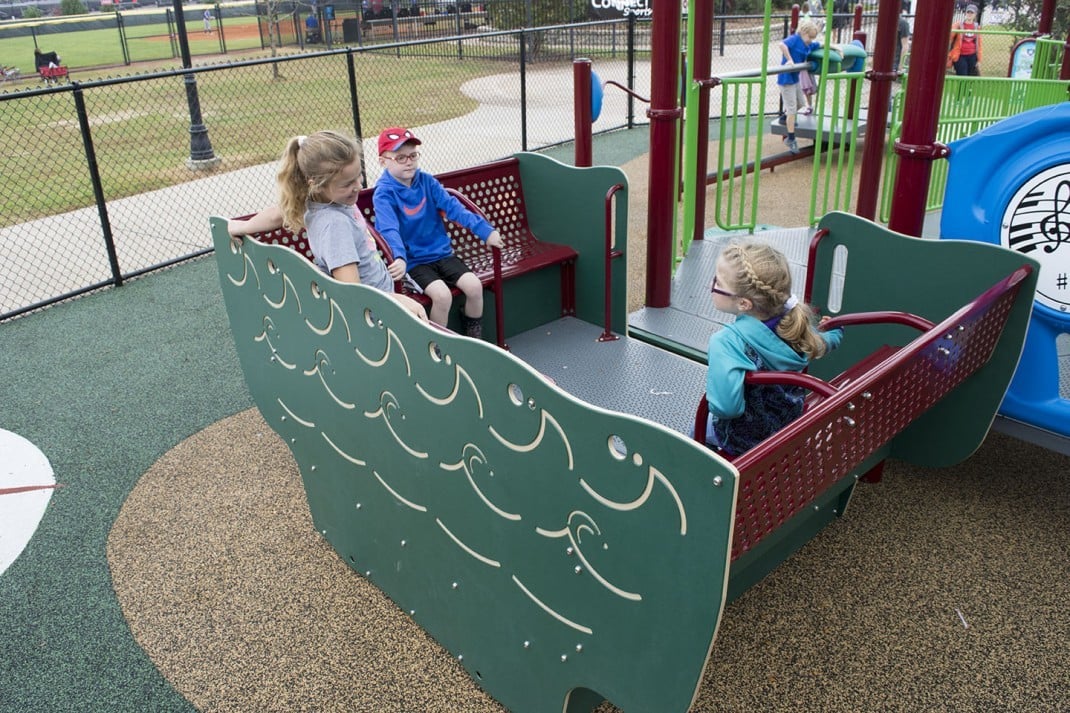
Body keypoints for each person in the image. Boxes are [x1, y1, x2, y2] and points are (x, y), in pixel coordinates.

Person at [231, 131, 428, 323]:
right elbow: (352, 291)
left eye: (359, 176)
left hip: (381, 297)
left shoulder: (319, 198)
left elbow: (276, 214)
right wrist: (397, 300)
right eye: (347, 183)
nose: (358, 186)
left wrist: (243, 226)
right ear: (316, 184)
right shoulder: (334, 225)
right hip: (374, 315)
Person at [701, 242, 843, 457]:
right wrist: (836, 331)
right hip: (785, 429)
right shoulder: (794, 324)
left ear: (744, 304)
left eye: (717, 282)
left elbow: (726, 408)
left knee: (700, 429)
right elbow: (823, 341)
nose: (712, 284)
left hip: (744, 443)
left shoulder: (727, 342)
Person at [373, 127, 504, 337]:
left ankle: (473, 336)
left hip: (441, 254)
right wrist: (399, 257)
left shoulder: (426, 181)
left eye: (413, 155)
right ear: (383, 161)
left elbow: (453, 207)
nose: (409, 162)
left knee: (474, 287)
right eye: (400, 157)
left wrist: (485, 231)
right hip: (414, 262)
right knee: (442, 296)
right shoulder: (384, 194)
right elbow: (389, 229)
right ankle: (437, 344)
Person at [776, 19, 828, 154]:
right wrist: (789, 60)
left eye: (813, 37)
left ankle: (784, 118)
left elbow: (820, 45)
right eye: (809, 37)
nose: (811, 40)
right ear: (803, 32)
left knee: (800, 104)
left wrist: (836, 48)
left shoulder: (807, 45)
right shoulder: (795, 39)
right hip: (786, 79)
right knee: (793, 110)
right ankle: (791, 139)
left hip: (795, 79)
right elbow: (782, 45)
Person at [948, 4, 981, 76]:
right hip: (960, 55)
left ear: (975, 14)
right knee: (962, 75)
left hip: (972, 56)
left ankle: (966, 88)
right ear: (965, 13)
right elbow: (950, 36)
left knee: (969, 78)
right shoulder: (959, 25)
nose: (969, 14)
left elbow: (979, 44)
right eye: (968, 12)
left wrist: (979, 60)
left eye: (971, 13)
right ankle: (962, 88)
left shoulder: (976, 27)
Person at [894, 1, 912, 75]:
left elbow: (905, 46)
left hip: (895, 64)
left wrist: (900, 67)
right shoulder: (886, 21)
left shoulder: (902, 23)